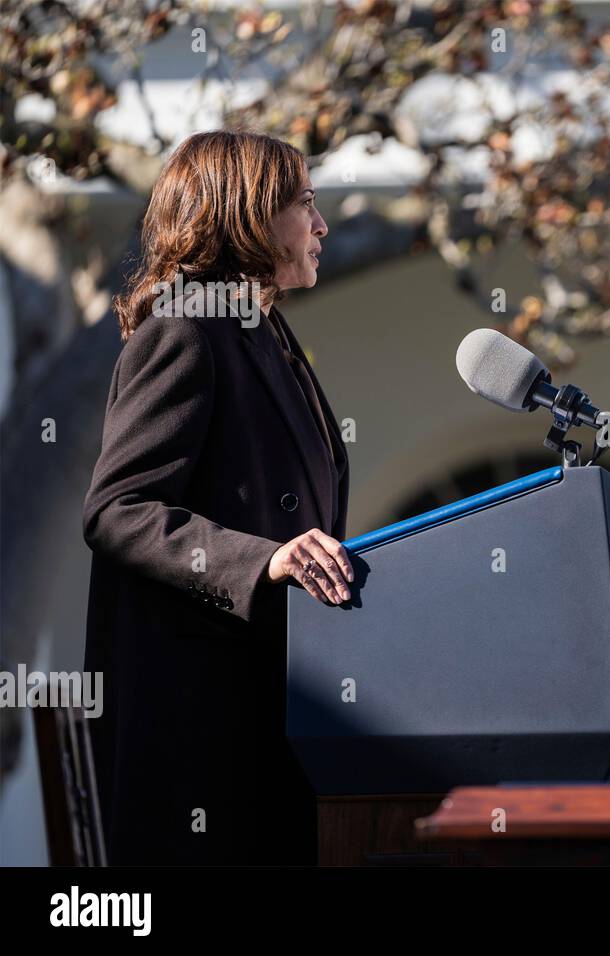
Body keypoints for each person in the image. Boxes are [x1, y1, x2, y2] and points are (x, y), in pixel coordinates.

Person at [82, 130, 354, 865]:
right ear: (248, 216)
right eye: (305, 204)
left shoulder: (263, 332)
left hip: (277, 723)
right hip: (202, 743)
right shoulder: (186, 328)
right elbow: (118, 511)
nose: (321, 226)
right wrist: (263, 562)